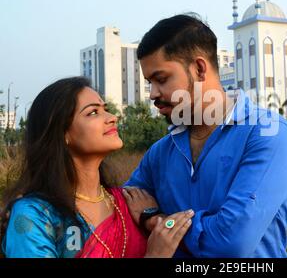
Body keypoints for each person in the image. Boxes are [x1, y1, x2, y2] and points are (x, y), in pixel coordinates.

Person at [125, 14, 287, 258]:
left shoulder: (267, 133)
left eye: (161, 79)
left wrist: (157, 221)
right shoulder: (160, 153)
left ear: (199, 68)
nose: (153, 94)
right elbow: (124, 212)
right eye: (149, 83)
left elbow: (232, 243)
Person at [0, 77, 193, 258]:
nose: (112, 117)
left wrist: (153, 218)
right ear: (62, 133)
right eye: (93, 112)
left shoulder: (128, 202)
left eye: (105, 109)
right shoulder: (35, 216)